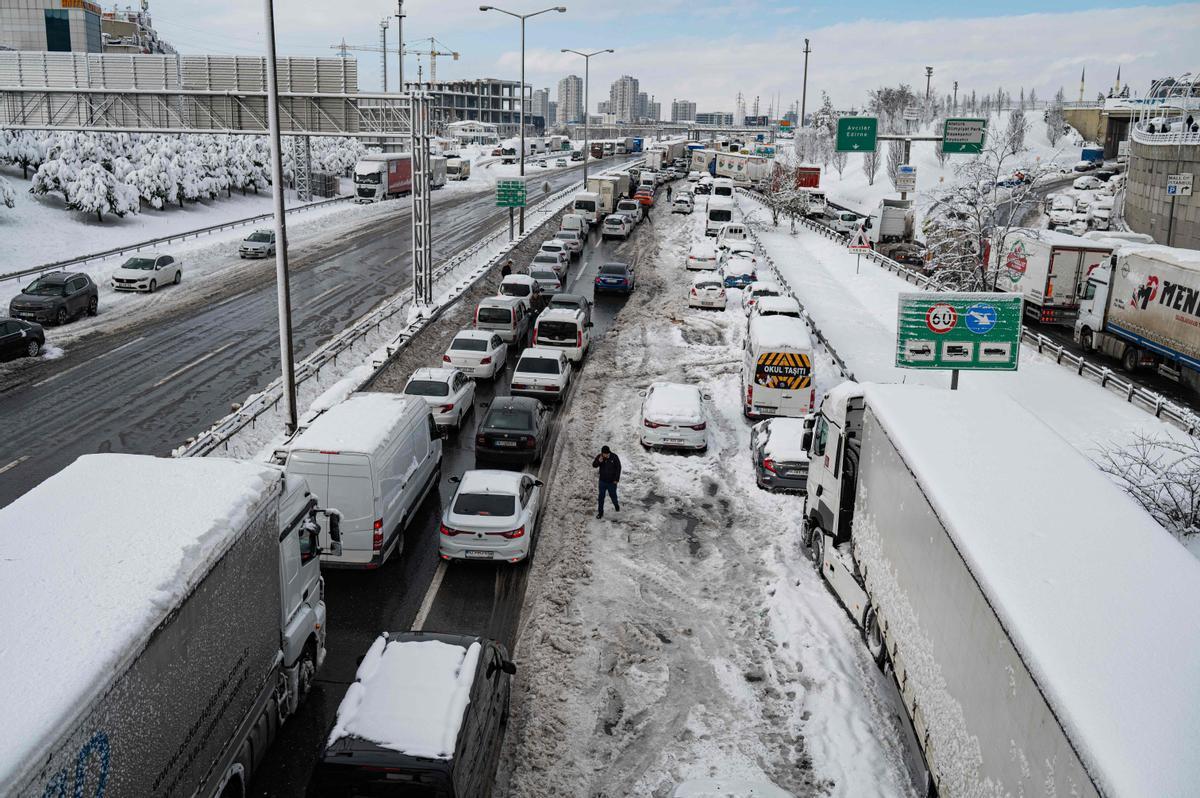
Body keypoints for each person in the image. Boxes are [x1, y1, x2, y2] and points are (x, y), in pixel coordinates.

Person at [592, 445, 622, 519]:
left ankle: (616, 505)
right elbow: (594, 465)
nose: (604, 455)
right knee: (601, 497)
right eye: (603, 454)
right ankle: (600, 512)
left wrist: (616, 479)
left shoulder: (614, 457)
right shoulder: (600, 456)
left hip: (612, 482)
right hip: (602, 481)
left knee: (613, 496)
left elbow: (618, 468)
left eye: (606, 454)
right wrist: (599, 461)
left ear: (609, 452)